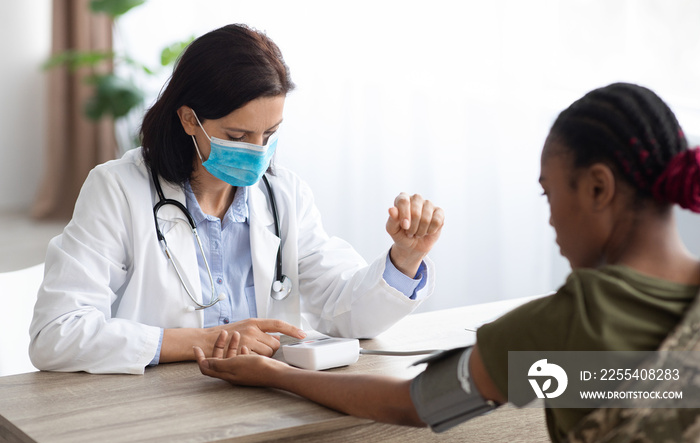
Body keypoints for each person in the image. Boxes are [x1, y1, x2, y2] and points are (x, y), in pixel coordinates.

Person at [194, 83, 700, 443]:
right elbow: (631, 383)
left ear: (597, 188)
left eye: (549, 194)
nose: (550, 221)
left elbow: (413, 404)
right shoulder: (585, 350)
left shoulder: (574, 321)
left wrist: (278, 373)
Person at [29, 24, 444, 375]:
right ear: (190, 119)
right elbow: (56, 334)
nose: (258, 151)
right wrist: (201, 341)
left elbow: (348, 314)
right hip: (156, 404)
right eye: (238, 136)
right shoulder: (117, 189)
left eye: (269, 134)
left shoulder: (284, 195)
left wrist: (404, 258)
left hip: (265, 395)